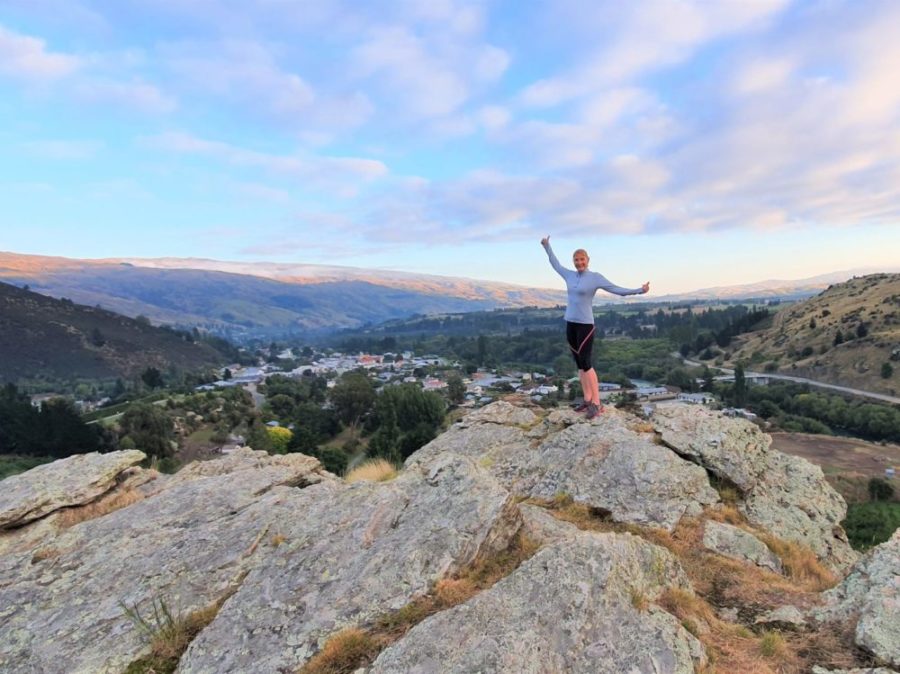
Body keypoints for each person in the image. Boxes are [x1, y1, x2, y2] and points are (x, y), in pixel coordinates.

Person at [541, 235, 649, 419]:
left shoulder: (595, 277)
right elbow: (555, 264)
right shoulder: (569, 275)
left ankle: (597, 404)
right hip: (571, 323)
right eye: (576, 260)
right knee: (579, 364)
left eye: (582, 259)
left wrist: (639, 290)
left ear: (588, 260)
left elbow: (617, 290)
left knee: (587, 363)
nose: (579, 262)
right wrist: (546, 245)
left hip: (585, 324)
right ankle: (587, 400)